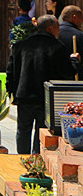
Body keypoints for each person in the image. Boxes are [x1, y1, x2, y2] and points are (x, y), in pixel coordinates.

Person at [7, 14, 80, 154]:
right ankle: (36, 160)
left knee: (23, 130)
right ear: (51, 28)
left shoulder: (20, 45)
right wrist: (74, 61)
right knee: (41, 131)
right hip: (44, 98)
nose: (59, 32)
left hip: (23, 95)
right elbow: (67, 72)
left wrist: (11, 93)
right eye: (57, 28)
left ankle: (21, 158)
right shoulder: (57, 47)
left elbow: (10, 72)